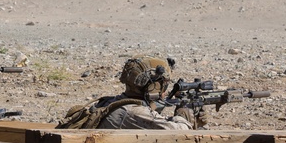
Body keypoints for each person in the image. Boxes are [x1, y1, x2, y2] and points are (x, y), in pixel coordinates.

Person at [57, 57, 199, 131]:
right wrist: (183, 115)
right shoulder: (134, 112)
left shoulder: (113, 102)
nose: (164, 90)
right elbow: (177, 132)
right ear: (151, 85)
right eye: (163, 84)